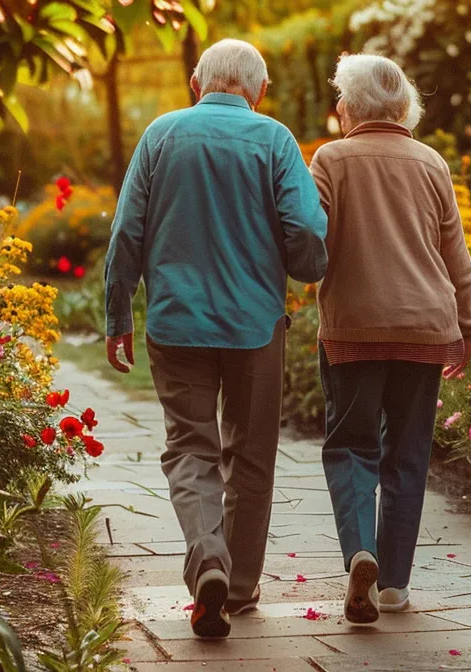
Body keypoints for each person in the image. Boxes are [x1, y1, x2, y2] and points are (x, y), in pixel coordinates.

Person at [102, 38, 328, 639]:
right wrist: (305, 265)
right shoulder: (276, 140)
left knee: (189, 447)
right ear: (259, 91)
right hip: (255, 327)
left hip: (176, 323)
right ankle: (242, 585)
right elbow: (305, 226)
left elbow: (127, 229)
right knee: (251, 454)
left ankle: (208, 561)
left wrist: (117, 312)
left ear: (197, 84)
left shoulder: (161, 135)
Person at [308, 54, 471, 624]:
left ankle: (361, 550)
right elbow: (455, 253)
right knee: (407, 454)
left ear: (350, 107)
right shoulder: (430, 162)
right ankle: (395, 586)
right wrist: (468, 325)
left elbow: (313, 243)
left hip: (354, 327)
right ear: (403, 105)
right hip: (426, 325)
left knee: (351, 444)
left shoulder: (331, 159)